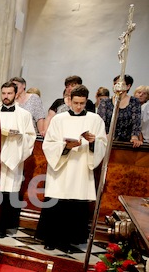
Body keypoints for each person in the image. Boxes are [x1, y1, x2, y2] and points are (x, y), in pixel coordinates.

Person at [36, 85, 107, 252]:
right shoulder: (59, 119)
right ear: (69, 101)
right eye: (76, 103)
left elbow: (103, 144)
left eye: (82, 103)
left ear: (86, 101)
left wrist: (93, 142)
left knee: (74, 207)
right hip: (61, 169)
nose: (79, 107)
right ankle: (50, 239)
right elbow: (49, 144)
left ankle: (68, 241)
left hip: (81, 168)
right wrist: (66, 146)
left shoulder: (95, 120)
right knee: (56, 205)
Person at [0, 81, 36, 238]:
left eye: (9, 93)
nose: (6, 97)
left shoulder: (24, 115)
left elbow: (31, 137)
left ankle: (4, 227)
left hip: (14, 158)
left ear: (16, 94)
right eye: (4, 93)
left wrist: (19, 137)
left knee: (9, 193)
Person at [97, 74, 142, 147]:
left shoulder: (134, 101)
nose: (117, 86)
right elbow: (100, 121)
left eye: (120, 84)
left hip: (127, 143)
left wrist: (134, 137)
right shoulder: (105, 102)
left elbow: (136, 121)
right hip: (107, 142)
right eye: (115, 84)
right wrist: (104, 135)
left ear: (128, 86)